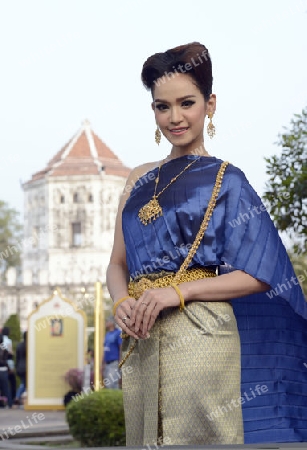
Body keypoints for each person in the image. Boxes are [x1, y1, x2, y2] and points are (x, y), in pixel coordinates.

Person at [106, 42, 307, 446]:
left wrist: (175, 293)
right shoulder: (138, 179)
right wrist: (119, 302)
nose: (175, 117)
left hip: (203, 334)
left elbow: (260, 274)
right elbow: (117, 265)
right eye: (163, 106)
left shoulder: (227, 180)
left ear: (209, 104)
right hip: (141, 337)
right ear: (153, 110)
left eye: (187, 103)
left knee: (199, 439)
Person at [102, 316, 122, 389]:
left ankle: (116, 400)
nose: (106, 323)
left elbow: (121, 347)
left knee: (112, 384)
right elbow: (105, 349)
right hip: (107, 363)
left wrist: (120, 361)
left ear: (112, 323)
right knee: (107, 385)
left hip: (114, 362)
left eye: (107, 321)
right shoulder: (107, 334)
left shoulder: (118, 333)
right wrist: (102, 363)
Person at [1, 327, 15, 406]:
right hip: (6, 365)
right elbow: (10, 353)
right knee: (9, 384)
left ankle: (2, 403)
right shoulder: (8, 341)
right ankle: (10, 402)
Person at [14, 331, 27, 406]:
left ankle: (18, 397)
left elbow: (17, 357)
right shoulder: (29, 345)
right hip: (27, 368)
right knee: (24, 384)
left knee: (23, 383)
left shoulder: (19, 345)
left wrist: (16, 367)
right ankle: (17, 396)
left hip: (20, 367)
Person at [0, 334, 11, 408]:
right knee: (6, 388)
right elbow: (9, 356)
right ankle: (10, 403)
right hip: (3, 370)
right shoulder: (3, 347)